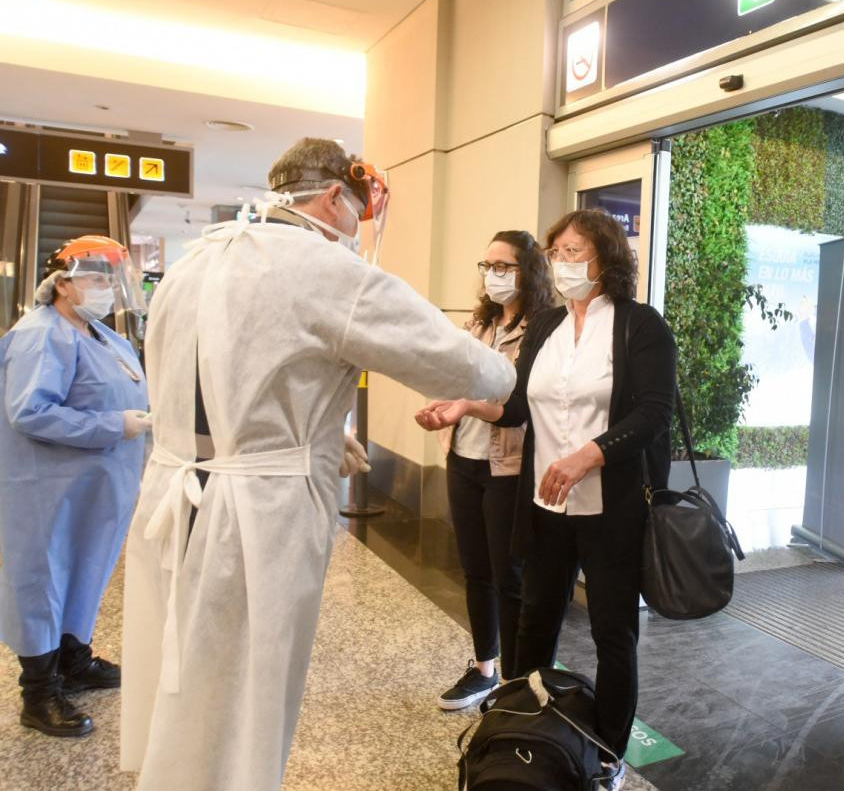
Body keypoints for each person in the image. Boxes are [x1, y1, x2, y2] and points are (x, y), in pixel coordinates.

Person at [119, 138, 516, 791]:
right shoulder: (322, 267)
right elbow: (474, 368)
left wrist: (320, 436)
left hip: (176, 493)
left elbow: (215, 392)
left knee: (185, 672)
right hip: (256, 515)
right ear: (334, 197)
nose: (355, 234)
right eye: (356, 216)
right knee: (245, 694)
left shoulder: (201, 259)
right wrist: (505, 371)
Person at [418, 209, 676, 790]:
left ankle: (607, 756)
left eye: (573, 250)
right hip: (545, 504)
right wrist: (465, 408)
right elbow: (516, 407)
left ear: (605, 258)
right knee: (534, 622)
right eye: (555, 251)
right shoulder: (548, 327)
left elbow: (653, 414)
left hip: (610, 507)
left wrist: (592, 453)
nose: (561, 261)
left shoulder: (640, 326)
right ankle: (522, 732)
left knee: (613, 635)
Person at [0, 236, 150, 737]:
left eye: (112, 280)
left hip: (98, 487)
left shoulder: (102, 335)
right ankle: (39, 692)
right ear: (61, 283)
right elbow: (30, 411)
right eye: (96, 278)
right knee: (45, 577)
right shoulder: (42, 335)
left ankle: (73, 659)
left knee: (88, 569)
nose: (107, 289)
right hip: (49, 489)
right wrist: (114, 426)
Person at [415, 230, 555, 710]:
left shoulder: (540, 327)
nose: (493, 275)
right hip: (464, 458)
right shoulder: (481, 322)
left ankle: (517, 685)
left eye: (504, 266)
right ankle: (484, 670)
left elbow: (518, 408)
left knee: (508, 575)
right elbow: (458, 379)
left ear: (528, 270)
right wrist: (444, 407)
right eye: (488, 266)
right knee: (475, 571)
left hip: (507, 465)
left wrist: (468, 407)